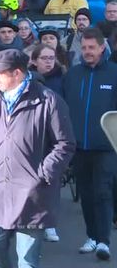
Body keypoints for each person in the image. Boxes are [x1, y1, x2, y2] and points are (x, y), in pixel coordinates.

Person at [0, 49, 75, 267]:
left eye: (0, 73)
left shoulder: (48, 101)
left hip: (31, 195)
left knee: (27, 261)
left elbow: (65, 144)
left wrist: (43, 174)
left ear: (17, 73)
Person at [63, 27, 117, 261]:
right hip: (79, 147)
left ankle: (104, 241)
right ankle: (92, 236)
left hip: (106, 147)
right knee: (85, 193)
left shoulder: (114, 73)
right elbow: (63, 108)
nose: (87, 52)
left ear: (102, 47)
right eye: (84, 48)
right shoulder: (73, 75)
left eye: (91, 48)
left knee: (102, 192)